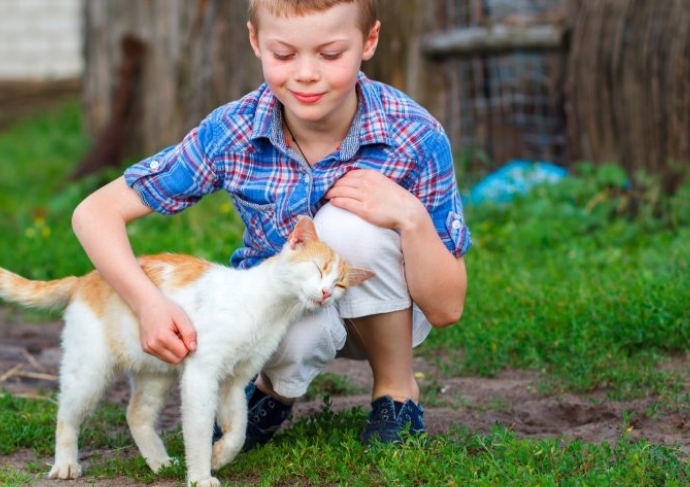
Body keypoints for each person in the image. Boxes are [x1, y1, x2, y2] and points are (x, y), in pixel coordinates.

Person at [72, 0, 471, 448]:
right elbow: (94, 213)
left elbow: (447, 308)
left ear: (369, 41)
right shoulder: (234, 131)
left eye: (330, 54)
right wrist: (148, 304)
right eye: (284, 54)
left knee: (348, 225)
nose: (306, 74)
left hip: (383, 304)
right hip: (285, 311)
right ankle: (272, 391)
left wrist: (410, 217)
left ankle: (396, 393)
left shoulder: (414, 134)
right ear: (256, 41)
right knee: (276, 307)